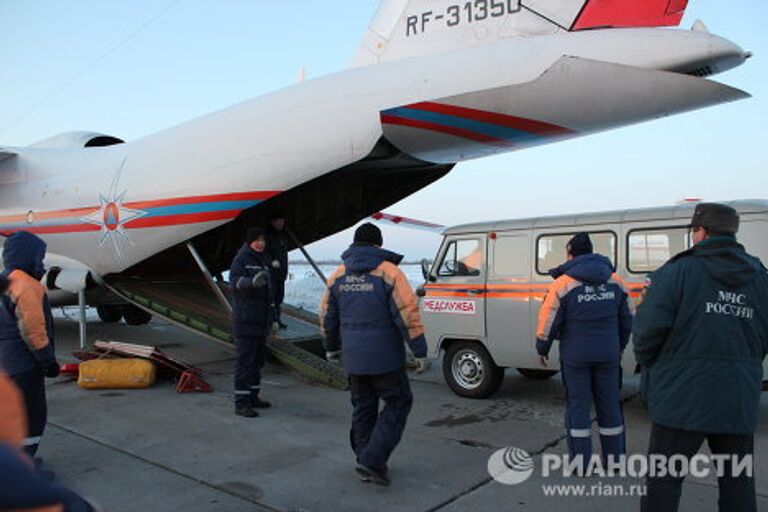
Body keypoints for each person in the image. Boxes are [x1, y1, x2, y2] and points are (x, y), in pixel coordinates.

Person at [634, 203, 768, 512]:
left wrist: (655, 365)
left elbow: (647, 332)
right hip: (737, 397)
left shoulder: (677, 271)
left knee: (664, 481)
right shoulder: (759, 276)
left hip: (682, 397)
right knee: (737, 481)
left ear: (700, 231)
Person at [320, 223, 429, 486]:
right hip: (385, 359)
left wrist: (331, 347)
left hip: (354, 358)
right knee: (399, 402)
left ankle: (364, 458)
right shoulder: (389, 272)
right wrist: (419, 350)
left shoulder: (337, 275)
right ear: (378, 245)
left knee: (363, 407)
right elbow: (407, 313)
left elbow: (326, 315)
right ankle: (373, 459)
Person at [536, 232, 632, 472]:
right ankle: (615, 461)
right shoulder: (616, 281)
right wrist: (618, 346)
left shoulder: (562, 283)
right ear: (592, 252)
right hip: (608, 355)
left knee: (578, 407)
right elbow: (627, 319)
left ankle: (581, 464)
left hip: (576, 356)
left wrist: (542, 347)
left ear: (570, 254)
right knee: (610, 405)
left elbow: (549, 320)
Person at [0, 369, 96, 512]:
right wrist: (49, 362)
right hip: (26, 369)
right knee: (34, 416)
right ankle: (28, 462)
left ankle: (28, 463)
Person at [0, 231, 59, 457]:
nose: (42, 264)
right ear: (29, 257)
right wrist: (47, 360)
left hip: (5, 363)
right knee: (31, 416)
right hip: (24, 365)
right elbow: (32, 329)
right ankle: (25, 465)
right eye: (40, 258)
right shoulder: (25, 285)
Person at [229, 227, 276, 418]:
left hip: (261, 321)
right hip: (246, 320)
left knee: (257, 362)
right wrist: (250, 283)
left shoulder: (263, 259)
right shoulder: (241, 260)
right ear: (249, 242)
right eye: (257, 240)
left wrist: (273, 318)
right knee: (245, 363)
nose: (261, 243)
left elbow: (269, 293)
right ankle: (241, 403)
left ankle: (254, 396)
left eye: (263, 240)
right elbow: (234, 281)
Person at [265, 212, 289, 329]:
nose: (281, 223)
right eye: (279, 221)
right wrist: (271, 262)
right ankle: (271, 321)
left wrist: (285, 270)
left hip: (281, 273)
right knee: (271, 298)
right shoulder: (267, 236)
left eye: (282, 221)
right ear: (272, 222)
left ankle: (277, 319)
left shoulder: (282, 236)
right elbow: (265, 252)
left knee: (279, 298)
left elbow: (284, 255)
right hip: (272, 273)